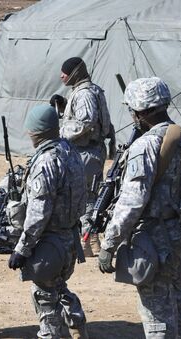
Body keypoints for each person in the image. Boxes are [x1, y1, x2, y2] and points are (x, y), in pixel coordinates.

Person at [98, 77, 181, 338]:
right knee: (177, 303)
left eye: (132, 110)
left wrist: (109, 243)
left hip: (156, 240)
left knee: (156, 314)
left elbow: (132, 201)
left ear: (141, 112)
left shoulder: (146, 145)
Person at [7, 104, 89, 339]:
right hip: (70, 237)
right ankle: (77, 325)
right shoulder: (70, 151)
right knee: (58, 287)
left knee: (44, 296)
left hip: (49, 242)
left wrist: (22, 249)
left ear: (37, 132)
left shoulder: (45, 161)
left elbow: (38, 212)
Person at [50, 56, 115, 257]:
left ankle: (89, 240)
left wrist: (58, 133)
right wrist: (64, 105)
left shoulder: (85, 93)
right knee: (88, 195)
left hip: (86, 152)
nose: (62, 76)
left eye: (65, 72)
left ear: (75, 73)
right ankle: (90, 241)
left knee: (86, 196)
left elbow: (85, 122)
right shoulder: (87, 91)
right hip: (89, 152)